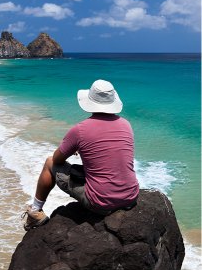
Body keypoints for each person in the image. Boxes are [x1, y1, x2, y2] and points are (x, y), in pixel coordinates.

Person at [22, 79, 139, 231]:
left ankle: (35, 212)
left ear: (90, 101)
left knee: (49, 162)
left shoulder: (80, 130)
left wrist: (76, 147)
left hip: (100, 202)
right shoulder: (126, 124)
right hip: (130, 197)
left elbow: (57, 160)